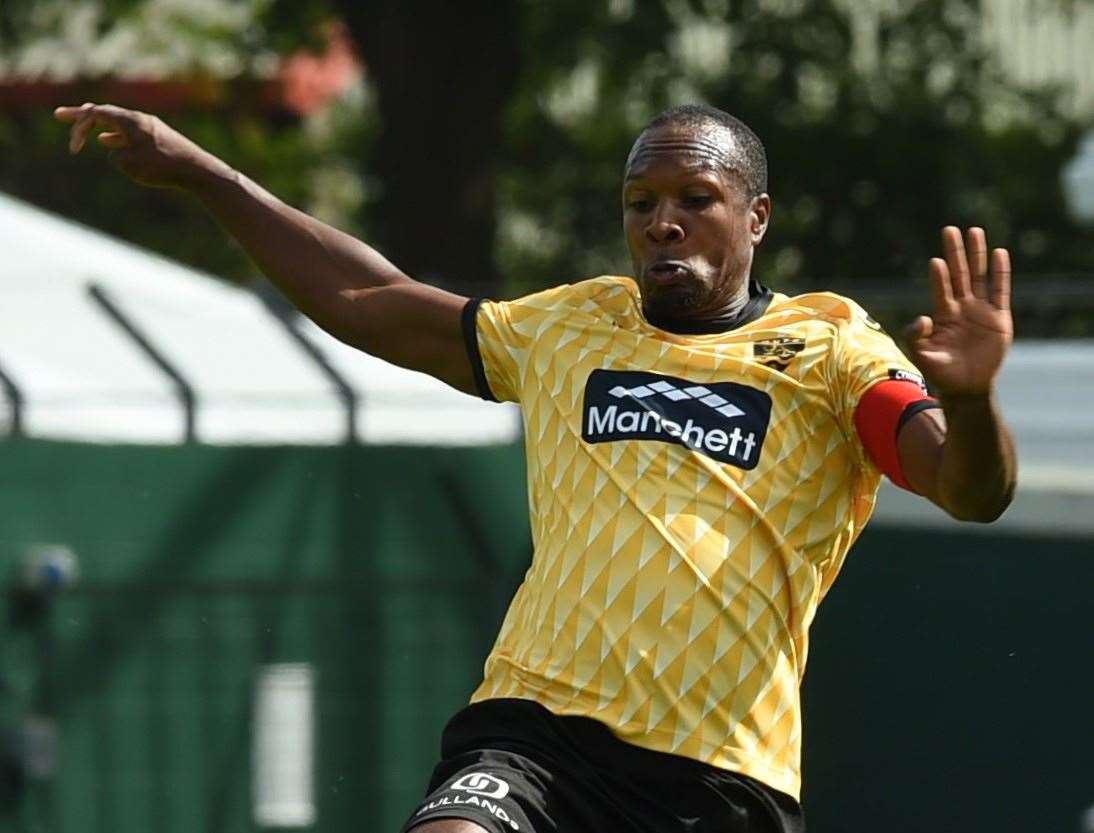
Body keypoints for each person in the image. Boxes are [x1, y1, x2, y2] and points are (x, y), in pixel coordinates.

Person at [56, 101, 1016, 833]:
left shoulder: (831, 351)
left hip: (719, 768)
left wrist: (969, 401)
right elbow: (374, 297)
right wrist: (206, 176)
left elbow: (970, 491)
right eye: (642, 204)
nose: (663, 223)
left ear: (756, 215)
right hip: (535, 728)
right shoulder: (572, 326)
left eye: (695, 200)